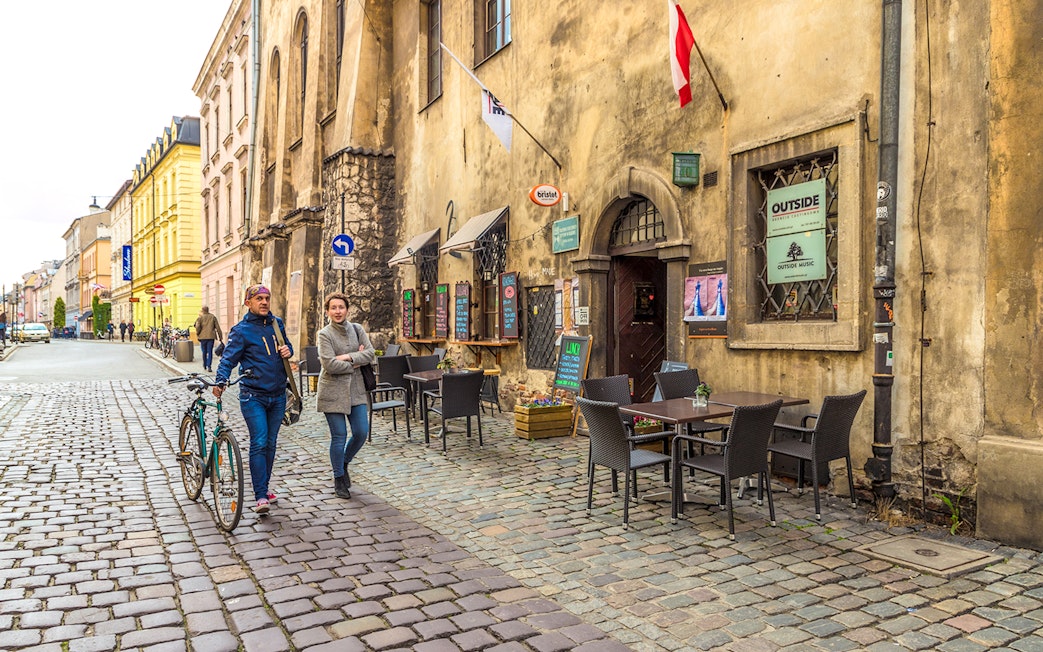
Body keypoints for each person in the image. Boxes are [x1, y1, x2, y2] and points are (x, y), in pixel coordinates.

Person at [213, 285, 293, 514]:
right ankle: (260, 496)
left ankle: (264, 487)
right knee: (259, 441)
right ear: (248, 302)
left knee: (270, 443)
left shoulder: (277, 324)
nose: (265, 302)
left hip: (277, 395)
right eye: (259, 298)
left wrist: (288, 351)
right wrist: (221, 381)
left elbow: (287, 348)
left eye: (267, 298)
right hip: (253, 396)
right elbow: (228, 360)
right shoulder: (241, 331)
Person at [316, 292, 375, 499]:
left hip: (356, 390)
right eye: (333, 308)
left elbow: (370, 353)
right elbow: (329, 364)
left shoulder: (357, 330)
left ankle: (344, 462)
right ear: (327, 311)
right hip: (332, 391)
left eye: (341, 307)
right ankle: (339, 478)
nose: (338, 311)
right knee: (339, 436)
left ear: (347, 309)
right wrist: (356, 362)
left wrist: (348, 356)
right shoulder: (324, 334)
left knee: (360, 432)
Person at [193, 306, 223, 372]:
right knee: (210, 352)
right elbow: (218, 327)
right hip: (211, 337)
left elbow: (197, 327)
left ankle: (204, 364)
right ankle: (209, 366)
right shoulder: (213, 317)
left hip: (202, 337)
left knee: (204, 351)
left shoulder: (200, 318)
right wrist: (220, 337)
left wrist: (198, 334)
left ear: (203, 310)